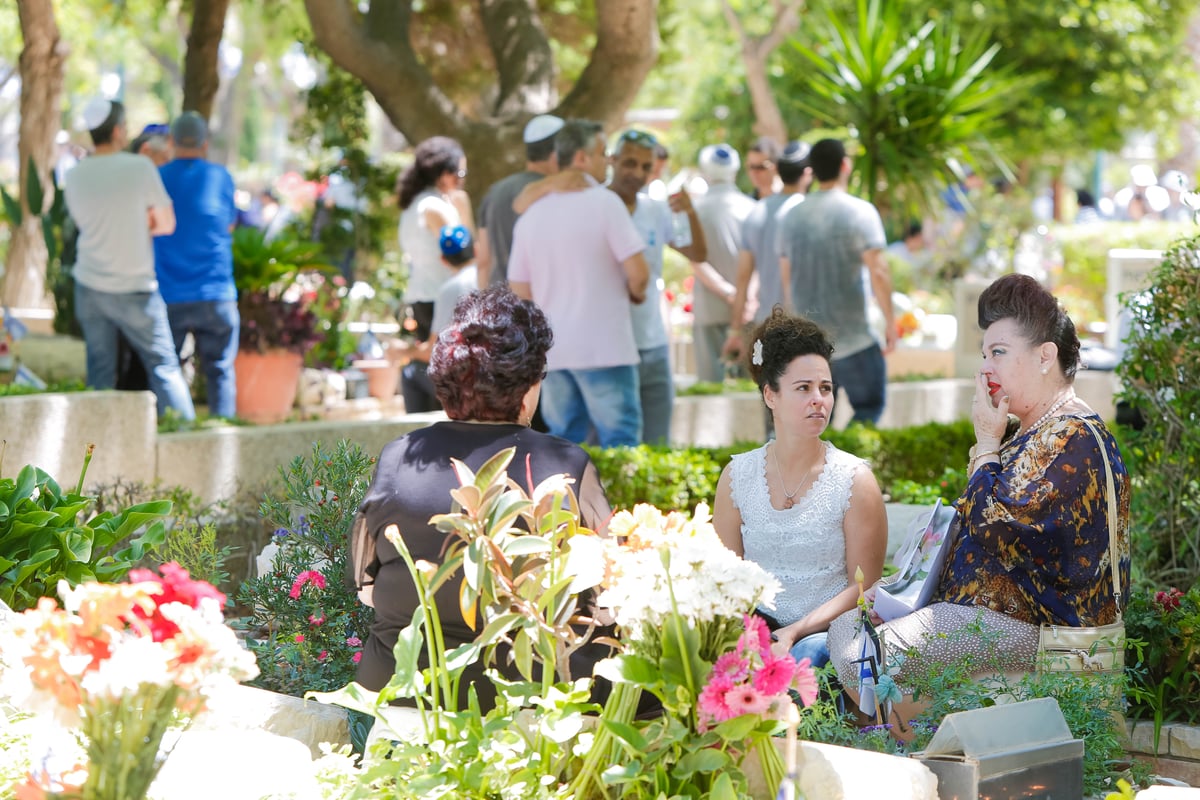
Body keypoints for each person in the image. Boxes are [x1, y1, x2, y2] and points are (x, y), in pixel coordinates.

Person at [826, 273, 1131, 733]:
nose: (986, 368)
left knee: (864, 654)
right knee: (847, 627)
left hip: (1048, 638)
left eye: (999, 353)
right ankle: (918, 739)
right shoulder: (1032, 431)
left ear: (1045, 356)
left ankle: (918, 740)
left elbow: (995, 525)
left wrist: (986, 441)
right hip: (981, 621)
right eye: (984, 354)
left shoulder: (1075, 436)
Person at [350, 286, 613, 709]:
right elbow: (608, 592)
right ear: (528, 388)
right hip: (527, 705)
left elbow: (366, 583)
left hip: (401, 701)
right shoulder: (565, 464)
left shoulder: (398, 457)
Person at [713, 309, 887, 669]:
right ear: (770, 395)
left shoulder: (854, 479)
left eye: (825, 388)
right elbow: (726, 578)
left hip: (826, 632)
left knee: (804, 661)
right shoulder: (737, 475)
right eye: (803, 388)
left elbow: (863, 590)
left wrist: (794, 632)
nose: (818, 399)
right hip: (756, 628)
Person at [508, 119, 650, 448]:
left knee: (564, 451)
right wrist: (635, 292)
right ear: (583, 158)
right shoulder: (606, 203)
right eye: (603, 153)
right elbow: (639, 274)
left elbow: (520, 290)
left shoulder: (531, 214)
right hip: (607, 348)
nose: (609, 161)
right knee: (621, 445)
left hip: (555, 351)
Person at [64, 97, 195, 421]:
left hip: (89, 287)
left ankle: (97, 446)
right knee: (164, 367)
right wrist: (139, 221)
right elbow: (166, 223)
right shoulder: (139, 167)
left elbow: (84, 224)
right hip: (135, 290)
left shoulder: (76, 174)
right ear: (120, 131)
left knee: (101, 373)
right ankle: (188, 441)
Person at [779, 138, 896, 425]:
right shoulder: (860, 212)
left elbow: (787, 277)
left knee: (816, 423)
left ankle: (826, 469)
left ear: (812, 170)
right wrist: (891, 321)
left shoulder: (791, 217)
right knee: (869, 409)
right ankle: (849, 468)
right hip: (855, 338)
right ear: (845, 165)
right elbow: (879, 272)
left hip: (810, 343)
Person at [607, 129, 706, 445]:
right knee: (616, 444)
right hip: (609, 348)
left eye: (645, 167)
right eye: (629, 163)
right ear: (613, 160)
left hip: (653, 343)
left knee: (657, 440)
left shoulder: (655, 210)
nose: (637, 173)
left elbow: (697, 253)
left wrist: (690, 212)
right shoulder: (597, 207)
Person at [154, 111, 239, 419]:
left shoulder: (158, 177)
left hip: (169, 294)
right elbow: (229, 224)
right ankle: (223, 437)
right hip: (216, 293)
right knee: (220, 371)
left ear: (172, 142)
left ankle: (173, 432)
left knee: (166, 371)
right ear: (205, 144)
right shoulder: (221, 177)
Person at [724, 140, 812, 365]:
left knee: (772, 394)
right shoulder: (807, 212)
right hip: (805, 324)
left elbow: (742, 279)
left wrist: (735, 332)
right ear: (807, 173)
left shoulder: (757, 211)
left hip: (768, 323)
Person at [690, 144, 755, 383]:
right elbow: (757, 262)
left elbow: (694, 260)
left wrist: (727, 293)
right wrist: (741, 297)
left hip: (709, 308)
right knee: (754, 390)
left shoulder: (694, 211)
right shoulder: (752, 209)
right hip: (748, 308)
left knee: (710, 388)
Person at [475, 114, 564, 288]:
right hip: (541, 301)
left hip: (500, 304)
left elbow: (484, 260)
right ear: (557, 153)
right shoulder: (552, 192)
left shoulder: (494, 192)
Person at [400, 224, 480, 413]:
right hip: (496, 377)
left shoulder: (450, 290)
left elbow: (434, 352)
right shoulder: (490, 278)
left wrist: (403, 351)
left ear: (443, 259)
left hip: (469, 385)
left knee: (411, 373)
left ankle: (422, 440)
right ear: (475, 250)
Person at [397, 136, 467, 340]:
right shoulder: (435, 208)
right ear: (445, 175)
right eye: (461, 173)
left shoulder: (411, 206)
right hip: (443, 297)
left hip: (421, 295)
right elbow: (463, 254)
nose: (462, 180)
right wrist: (465, 212)